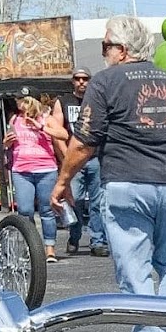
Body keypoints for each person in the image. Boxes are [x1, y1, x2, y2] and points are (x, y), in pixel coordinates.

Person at [52, 14, 166, 332]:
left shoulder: (106, 82)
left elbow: (84, 142)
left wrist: (62, 183)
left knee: (134, 266)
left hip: (126, 181)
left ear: (121, 51)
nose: (104, 53)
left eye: (105, 46)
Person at [4, 94, 62, 264]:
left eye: (24, 100)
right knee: (25, 210)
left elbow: (63, 134)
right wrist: (6, 143)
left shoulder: (46, 118)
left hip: (46, 169)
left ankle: (50, 247)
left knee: (47, 210)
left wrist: (41, 126)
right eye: (19, 100)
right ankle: (32, 245)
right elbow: (7, 142)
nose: (21, 103)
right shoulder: (14, 119)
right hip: (22, 170)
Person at [63, 69, 108, 255]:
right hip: (75, 159)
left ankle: (97, 241)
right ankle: (74, 236)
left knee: (97, 202)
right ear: (72, 81)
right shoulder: (64, 101)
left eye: (85, 79)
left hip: (95, 157)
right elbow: (58, 129)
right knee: (76, 201)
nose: (81, 82)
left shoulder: (98, 100)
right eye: (77, 79)